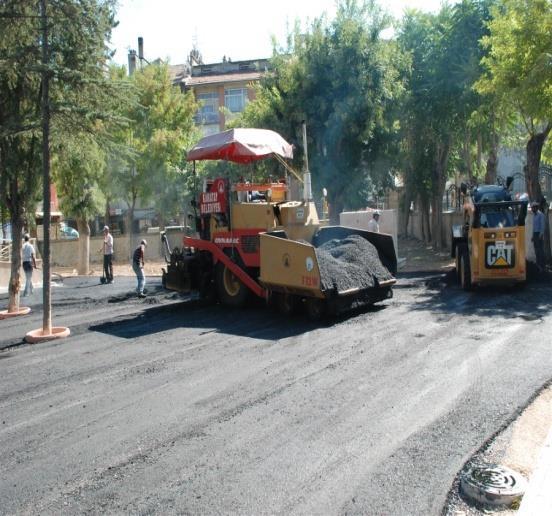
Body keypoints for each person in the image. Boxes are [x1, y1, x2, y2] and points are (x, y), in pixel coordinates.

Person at [531, 201, 545, 272]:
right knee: (536, 250)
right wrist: (532, 236)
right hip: (535, 234)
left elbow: (542, 226)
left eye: (533, 208)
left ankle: (542, 266)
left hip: (539, 234)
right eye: (532, 208)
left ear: (536, 207)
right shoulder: (534, 215)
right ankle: (538, 266)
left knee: (540, 251)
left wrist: (540, 235)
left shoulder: (541, 215)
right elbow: (534, 227)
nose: (532, 209)